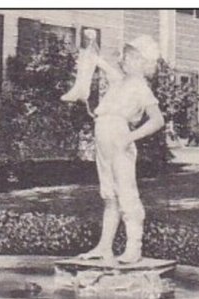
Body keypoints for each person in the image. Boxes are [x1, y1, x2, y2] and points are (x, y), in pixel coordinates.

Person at [62, 35, 164, 264]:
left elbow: (157, 120)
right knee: (109, 194)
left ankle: (133, 247)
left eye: (132, 57)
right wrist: (91, 53)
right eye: (126, 55)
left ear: (143, 62)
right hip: (104, 137)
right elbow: (101, 63)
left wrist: (130, 137)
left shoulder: (140, 87)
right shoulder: (120, 81)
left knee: (126, 193)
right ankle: (104, 247)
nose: (125, 59)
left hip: (119, 138)